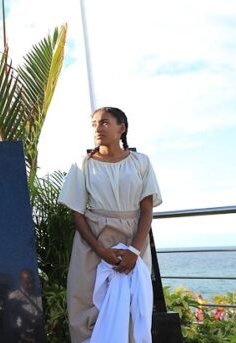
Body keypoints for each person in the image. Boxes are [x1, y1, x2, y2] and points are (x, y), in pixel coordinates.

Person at [58, 107, 162, 343]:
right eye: (94, 124)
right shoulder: (83, 164)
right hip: (93, 241)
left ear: (121, 128)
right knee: (85, 302)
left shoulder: (141, 162)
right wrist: (100, 250)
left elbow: (147, 209)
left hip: (133, 239)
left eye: (104, 123)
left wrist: (135, 250)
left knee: (133, 302)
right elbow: (77, 213)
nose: (98, 128)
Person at [5, 269, 43, 342]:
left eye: (32, 282)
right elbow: (11, 323)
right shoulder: (14, 297)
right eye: (27, 282)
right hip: (24, 337)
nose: (31, 285)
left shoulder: (39, 295)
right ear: (21, 281)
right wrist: (22, 335)